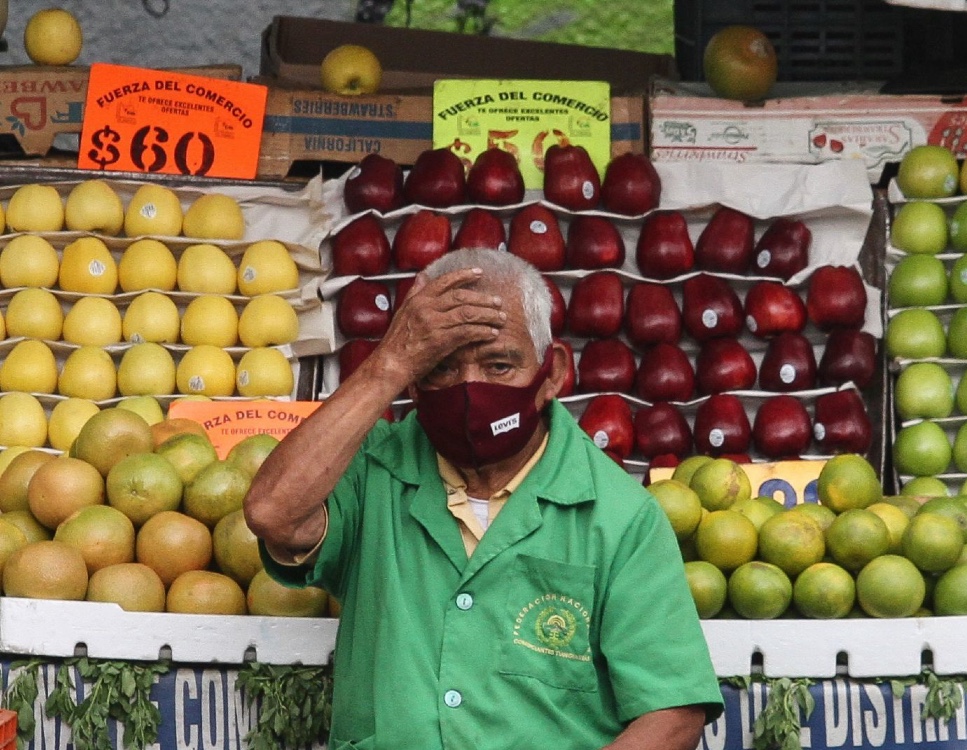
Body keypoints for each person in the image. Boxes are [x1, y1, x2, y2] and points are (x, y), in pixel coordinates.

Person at [244, 248, 723, 750]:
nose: (471, 387)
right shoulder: (370, 472)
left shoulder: (620, 515)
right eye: (442, 368)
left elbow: (672, 714)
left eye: (499, 365)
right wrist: (390, 361)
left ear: (552, 374)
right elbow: (273, 513)